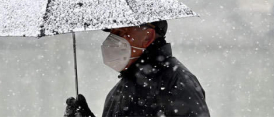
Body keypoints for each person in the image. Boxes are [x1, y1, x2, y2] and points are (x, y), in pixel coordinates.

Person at [64, 20, 210, 117]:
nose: (111, 40)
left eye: (120, 33)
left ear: (147, 37)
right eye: (112, 33)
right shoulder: (119, 90)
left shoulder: (177, 84)